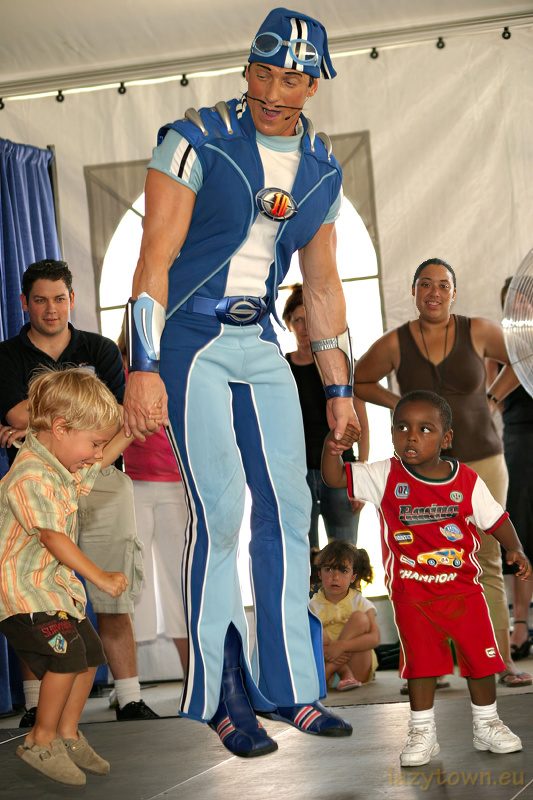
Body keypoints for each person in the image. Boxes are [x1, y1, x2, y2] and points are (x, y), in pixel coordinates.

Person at [123, 7, 360, 758]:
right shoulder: (193, 139)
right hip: (191, 340)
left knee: (290, 513)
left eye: (290, 77)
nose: (271, 88)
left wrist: (338, 387)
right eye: (261, 72)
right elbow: (152, 263)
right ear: (246, 70)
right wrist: (141, 366)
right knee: (220, 513)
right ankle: (223, 696)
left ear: (315, 84)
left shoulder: (322, 165)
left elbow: (320, 287)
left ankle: (290, 688)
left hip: (259, 338)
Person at [322, 389, 531, 767]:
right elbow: (334, 478)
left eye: (424, 429)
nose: (411, 436)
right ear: (392, 433)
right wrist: (333, 445)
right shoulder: (385, 474)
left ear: (446, 438)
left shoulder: (466, 480)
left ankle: (487, 723)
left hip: (464, 593)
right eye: (402, 428)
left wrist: (515, 549)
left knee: (482, 663)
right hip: (412, 596)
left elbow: (496, 519)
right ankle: (422, 731)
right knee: (422, 667)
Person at [353, 258, 531, 688]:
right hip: (423, 474)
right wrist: (398, 406)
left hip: (483, 459)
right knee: (425, 566)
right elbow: (359, 380)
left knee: (486, 560)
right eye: (426, 285)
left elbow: (524, 355)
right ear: (414, 292)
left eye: (443, 285)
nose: (434, 293)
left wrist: (491, 398)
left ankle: (500, 661)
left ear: (455, 292)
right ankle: (434, 665)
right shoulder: (397, 342)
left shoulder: (480, 330)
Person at [0, 259, 158, 721]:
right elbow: (15, 418)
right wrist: (75, 422)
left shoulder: (102, 349)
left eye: (60, 298)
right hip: (39, 487)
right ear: (26, 303)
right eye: (41, 300)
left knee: (113, 588)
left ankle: (129, 695)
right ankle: (36, 710)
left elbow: (115, 420)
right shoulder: (6, 357)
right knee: (39, 600)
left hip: (102, 480)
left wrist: (41, 423)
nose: (52, 309)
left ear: (73, 299)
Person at [0, 368, 132, 786]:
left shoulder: (60, 466)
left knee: (90, 654)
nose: (95, 452)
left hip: (54, 594)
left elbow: (101, 461)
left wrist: (130, 428)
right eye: (92, 442)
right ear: (60, 427)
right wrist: (100, 577)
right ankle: (40, 738)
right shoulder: (30, 474)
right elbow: (53, 538)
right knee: (65, 657)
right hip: (25, 596)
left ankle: (67, 734)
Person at [117, 325, 189, 675]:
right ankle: (128, 683)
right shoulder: (119, 369)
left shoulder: (181, 364)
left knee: (181, 580)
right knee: (131, 580)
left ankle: (194, 676)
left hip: (178, 486)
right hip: (133, 486)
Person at [283, 284, 369, 550]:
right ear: (288, 323)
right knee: (303, 555)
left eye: (310, 319)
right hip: (297, 473)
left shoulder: (338, 366)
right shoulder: (280, 368)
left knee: (345, 553)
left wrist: (362, 476)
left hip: (341, 471)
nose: (305, 327)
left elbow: (361, 421)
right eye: (298, 320)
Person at [486, 277, 533, 661]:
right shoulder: (499, 348)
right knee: (522, 530)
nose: (521, 305)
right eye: (513, 302)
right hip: (519, 439)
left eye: (525, 299)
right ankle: (520, 624)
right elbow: (492, 401)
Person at [309, 540, 379, 690]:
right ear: (319, 573)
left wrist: (341, 646)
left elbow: (375, 639)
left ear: (353, 577)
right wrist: (330, 650)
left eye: (343, 571)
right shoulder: (312, 606)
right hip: (326, 664)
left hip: (357, 670)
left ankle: (330, 674)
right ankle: (338, 673)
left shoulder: (359, 601)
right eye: (328, 569)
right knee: (312, 626)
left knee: (360, 618)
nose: (335, 577)